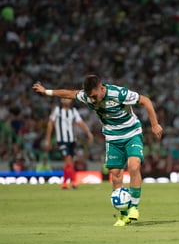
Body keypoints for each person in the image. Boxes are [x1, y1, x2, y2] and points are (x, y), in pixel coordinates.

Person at [33, 75, 163, 226]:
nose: (93, 100)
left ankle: (134, 207)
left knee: (134, 166)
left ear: (102, 88)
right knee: (115, 175)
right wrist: (46, 91)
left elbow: (145, 100)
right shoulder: (87, 97)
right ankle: (123, 215)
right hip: (112, 138)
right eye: (90, 97)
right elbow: (68, 93)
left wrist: (154, 124)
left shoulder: (119, 93)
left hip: (131, 133)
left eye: (94, 96)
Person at [45, 97, 94, 189]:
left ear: (70, 100)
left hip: (72, 140)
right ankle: (74, 182)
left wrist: (88, 132)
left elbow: (80, 122)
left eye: (66, 98)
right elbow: (50, 123)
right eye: (63, 98)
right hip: (62, 140)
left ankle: (64, 183)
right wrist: (47, 139)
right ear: (61, 100)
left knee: (69, 163)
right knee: (68, 160)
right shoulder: (57, 110)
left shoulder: (73, 111)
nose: (64, 100)